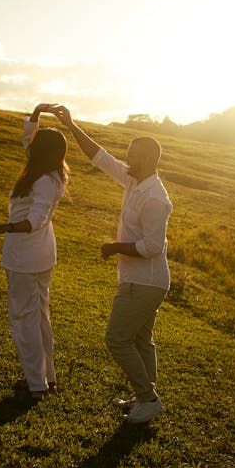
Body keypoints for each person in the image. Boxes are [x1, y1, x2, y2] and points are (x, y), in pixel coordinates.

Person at [51, 104, 172, 424]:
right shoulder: (134, 180)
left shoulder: (156, 198)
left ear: (145, 159)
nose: (125, 158)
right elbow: (100, 157)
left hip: (145, 281)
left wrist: (114, 246)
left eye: (131, 154)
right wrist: (72, 126)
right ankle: (143, 394)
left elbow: (152, 247)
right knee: (141, 340)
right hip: (138, 280)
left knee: (117, 339)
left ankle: (148, 399)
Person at [0, 103, 68, 400]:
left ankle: (37, 385)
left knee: (23, 319)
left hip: (28, 256)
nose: (29, 146)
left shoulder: (44, 180)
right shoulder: (48, 170)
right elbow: (27, 138)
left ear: (41, 152)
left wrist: (0, 226)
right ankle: (46, 378)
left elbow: (35, 221)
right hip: (39, 256)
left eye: (36, 144)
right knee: (40, 316)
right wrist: (37, 111)